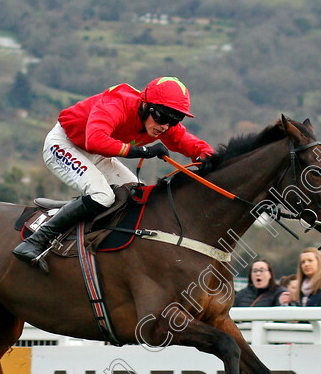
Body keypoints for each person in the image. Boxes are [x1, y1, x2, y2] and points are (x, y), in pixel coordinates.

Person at [12, 77, 214, 270]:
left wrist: (211, 158)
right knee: (103, 196)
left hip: (96, 154)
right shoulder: (118, 104)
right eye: (161, 116)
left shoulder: (162, 121)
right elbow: (95, 139)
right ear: (145, 105)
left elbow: (190, 143)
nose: (165, 125)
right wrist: (143, 151)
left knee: (140, 195)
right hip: (64, 145)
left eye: (174, 119)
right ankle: (35, 241)